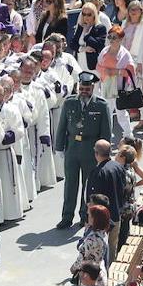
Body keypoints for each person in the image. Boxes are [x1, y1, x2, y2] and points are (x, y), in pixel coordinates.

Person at [56, 72, 112, 230]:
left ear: (93, 87)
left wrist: (104, 153)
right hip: (72, 147)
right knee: (70, 184)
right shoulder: (69, 102)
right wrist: (59, 147)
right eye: (81, 88)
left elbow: (106, 131)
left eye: (87, 89)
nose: (83, 92)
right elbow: (62, 126)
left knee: (88, 185)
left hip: (91, 149)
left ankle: (85, 215)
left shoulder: (101, 105)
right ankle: (67, 217)